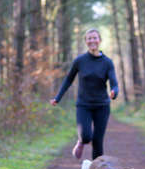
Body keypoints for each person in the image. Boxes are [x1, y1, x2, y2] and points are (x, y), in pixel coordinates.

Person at [50, 28, 119, 160]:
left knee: (98, 142)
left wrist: (114, 92)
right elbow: (68, 79)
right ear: (86, 41)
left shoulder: (107, 62)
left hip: (102, 106)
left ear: (99, 40)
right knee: (86, 136)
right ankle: (81, 141)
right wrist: (57, 98)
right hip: (84, 105)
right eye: (89, 38)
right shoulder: (80, 61)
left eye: (94, 38)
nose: (92, 40)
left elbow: (114, 83)